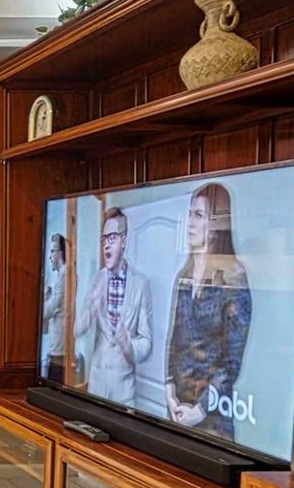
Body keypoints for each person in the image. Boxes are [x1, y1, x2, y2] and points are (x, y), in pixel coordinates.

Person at [164, 182, 253, 440]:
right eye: (190, 214)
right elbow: (174, 340)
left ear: (216, 225)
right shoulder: (185, 274)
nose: (190, 223)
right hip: (178, 408)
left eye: (199, 215)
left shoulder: (233, 276)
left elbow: (231, 361)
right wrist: (169, 388)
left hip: (212, 418)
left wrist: (200, 409)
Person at [73, 207, 152, 405]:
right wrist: (91, 308)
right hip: (96, 387)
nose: (106, 245)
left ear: (124, 241)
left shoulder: (140, 284)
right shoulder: (96, 280)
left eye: (112, 238)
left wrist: (128, 344)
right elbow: (77, 329)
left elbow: (147, 343)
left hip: (124, 392)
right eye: (104, 239)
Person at [41, 233, 68, 382]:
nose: (50, 256)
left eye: (52, 251)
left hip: (60, 346)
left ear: (61, 253)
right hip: (55, 343)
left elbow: (51, 308)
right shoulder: (58, 276)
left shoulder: (64, 276)